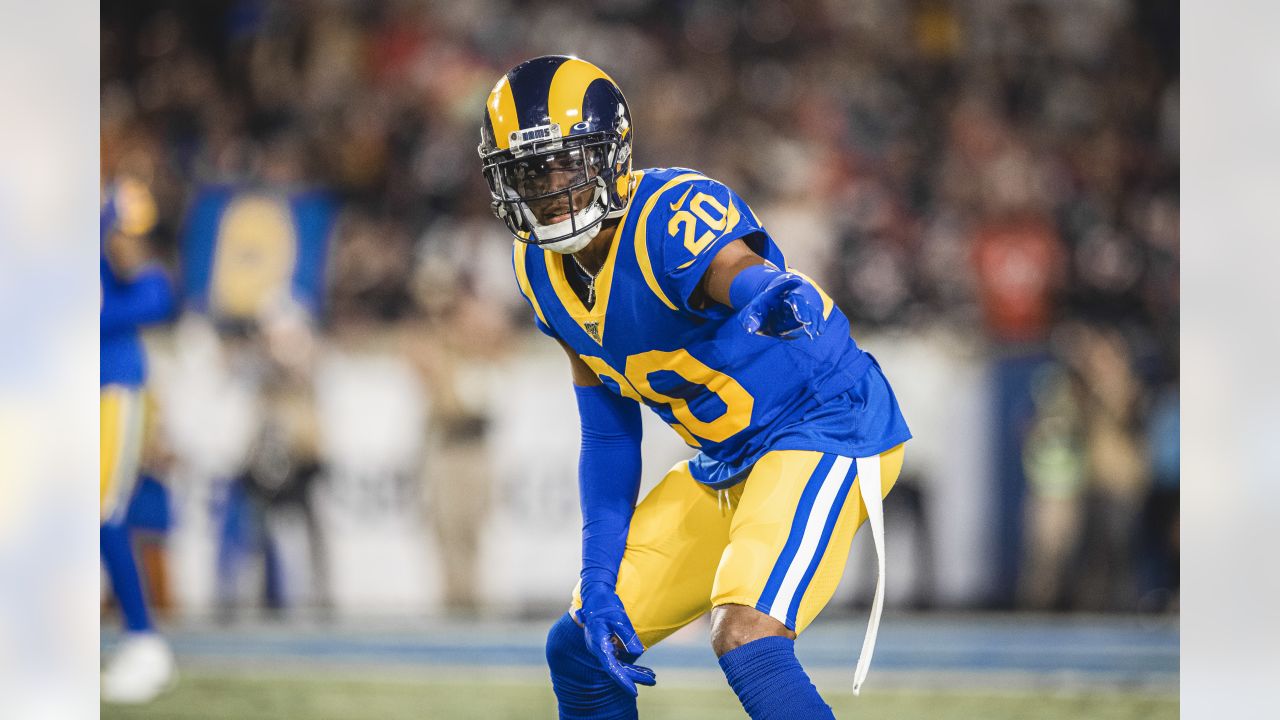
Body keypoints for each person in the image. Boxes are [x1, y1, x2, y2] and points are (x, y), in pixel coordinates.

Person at [477, 56, 911, 720]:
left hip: (824, 424)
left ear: (612, 153)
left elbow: (737, 270)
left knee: (747, 637)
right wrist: (597, 578)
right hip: (729, 459)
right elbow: (607, 433)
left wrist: (770, 292)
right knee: (581, 648)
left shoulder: (669, 213)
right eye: (527, 171)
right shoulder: (537, 269)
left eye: (565, 162)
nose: (548, 187)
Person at [100, 178, 178, 703]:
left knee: (103, 512)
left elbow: (154, 302)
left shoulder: (142, 280)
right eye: (124, 233)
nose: (134, 244)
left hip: (112, 396)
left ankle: (143, 640)